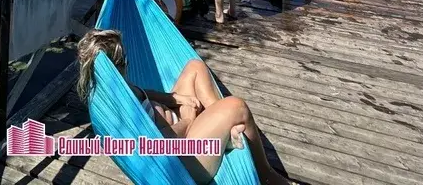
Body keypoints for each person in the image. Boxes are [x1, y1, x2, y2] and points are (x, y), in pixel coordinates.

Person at [77, 30, 289, 185]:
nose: (127, 64)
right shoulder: (117, 114)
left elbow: (143, 93)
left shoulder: (112, 87)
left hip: (180, 127)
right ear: (117, 65)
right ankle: (265, 174)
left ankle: (224, 129)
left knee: (194, 67)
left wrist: (175, 98)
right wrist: (188, 121)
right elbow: (159, 148)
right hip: (183, 160)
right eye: (123, 61)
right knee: (237, 106)